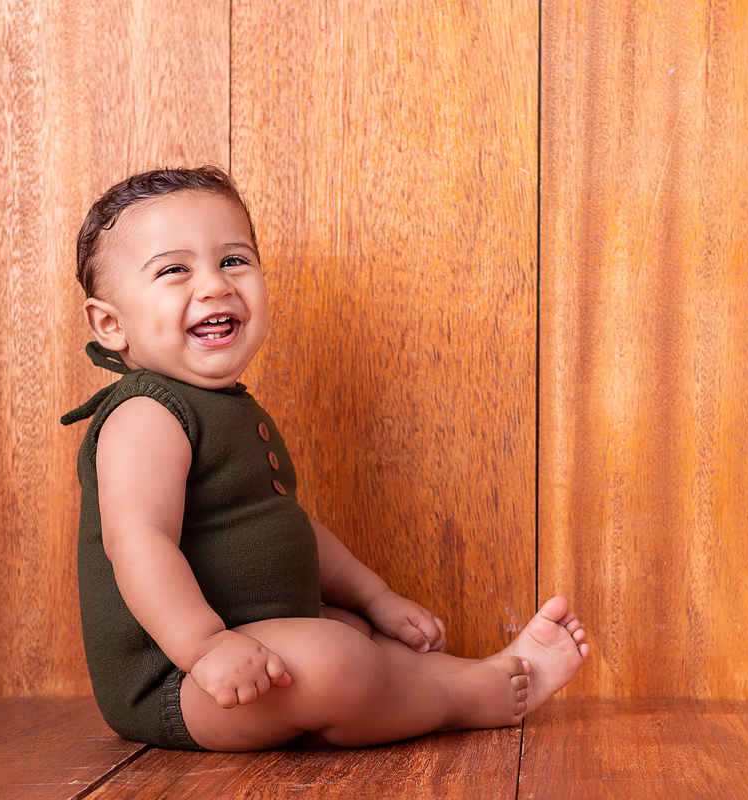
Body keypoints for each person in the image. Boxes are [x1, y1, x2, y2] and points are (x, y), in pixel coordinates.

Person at [61, 166, 588, 752]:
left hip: (256, 641)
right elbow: (138, 541)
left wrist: (375, 598)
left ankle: (493, 674)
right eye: (174, 270)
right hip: (182, 680)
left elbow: (287, 525)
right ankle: (457, 702)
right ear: (111, 324)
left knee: (356, 633)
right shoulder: (145, 414)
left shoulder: (226, 408)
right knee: (338, 659)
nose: (214, 285)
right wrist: (205, 646)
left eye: (233, 260)